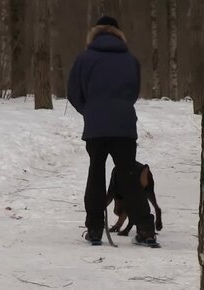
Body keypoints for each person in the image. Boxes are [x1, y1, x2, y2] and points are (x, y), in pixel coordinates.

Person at [67, 16, 157, 247]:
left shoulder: (84, 59)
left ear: (94, 34)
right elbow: (133, 92)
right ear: (118, 34)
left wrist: (89, 111)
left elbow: (73, 93)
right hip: (124, 125)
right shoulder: (130, 60)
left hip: (96, 126)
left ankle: (95, 229)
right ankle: (146, 229)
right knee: (129, 176)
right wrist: (120, 107)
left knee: (96, 174)